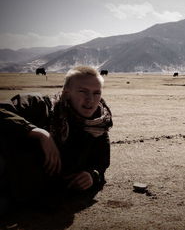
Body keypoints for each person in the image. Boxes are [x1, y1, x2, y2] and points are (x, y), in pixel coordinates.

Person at [0, 66, 112, 215]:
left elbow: (101, 163)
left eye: (96, 93)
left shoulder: (98, 128)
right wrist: (38, 133)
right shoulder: (40, 105)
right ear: (66, 94)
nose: (90, 99)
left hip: (35, 198)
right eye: (82, 91)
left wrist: (92, 175)